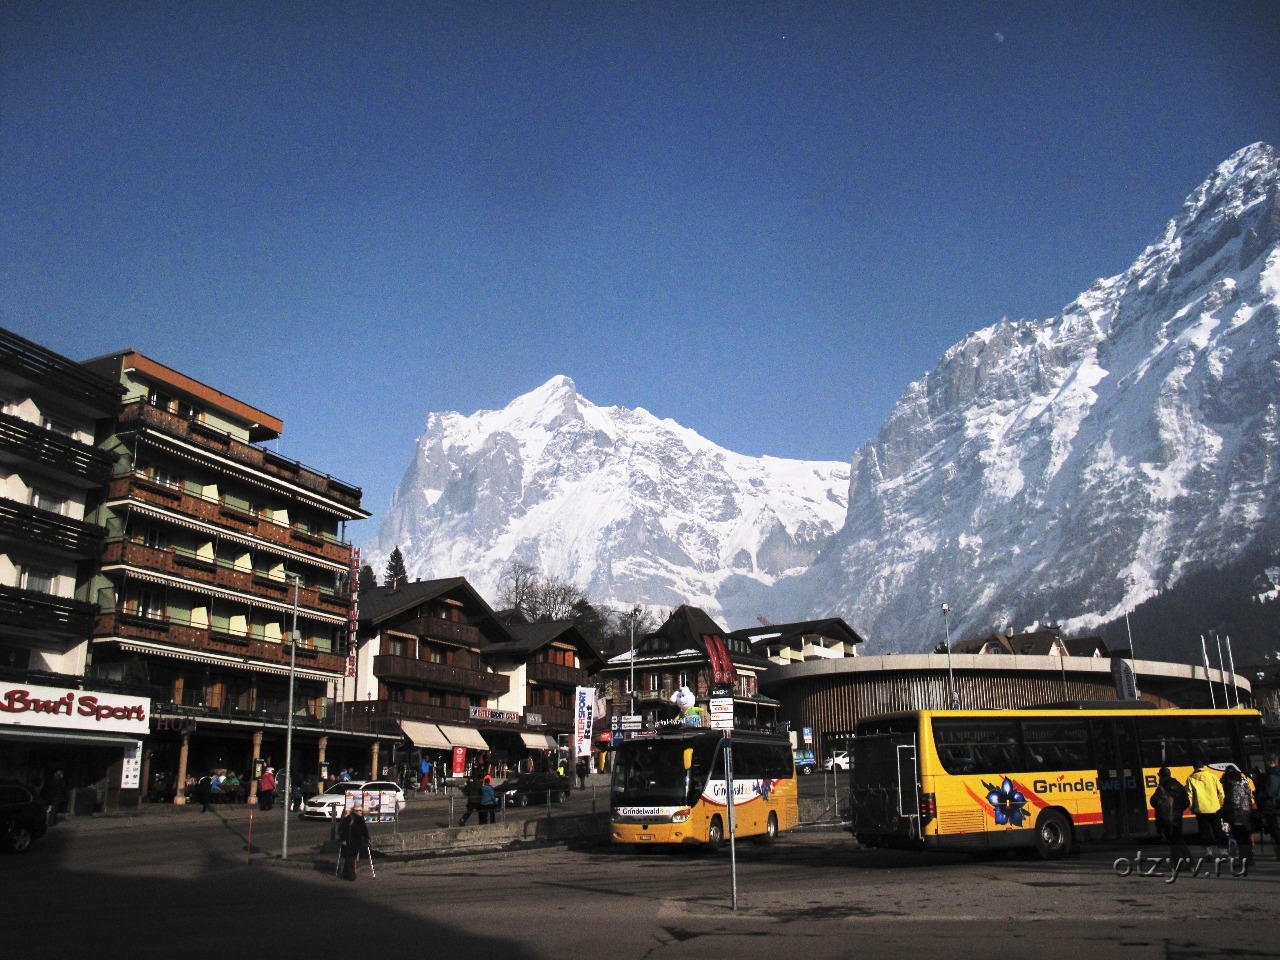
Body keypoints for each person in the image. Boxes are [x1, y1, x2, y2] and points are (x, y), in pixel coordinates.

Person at [1185, 761, 1227, 857]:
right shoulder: (1212, 776)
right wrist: (1221, 804)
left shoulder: (1191, 779)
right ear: (1203, 767)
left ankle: (1209, 853)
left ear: (1194, 767)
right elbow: (1221, 792)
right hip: (1215, 808)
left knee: (1204, 832)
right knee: (1218, 830)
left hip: (1200, 809)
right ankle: (1224, 852)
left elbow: (1189, 795)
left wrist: (1191, 807)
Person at [1221, 766, 1255, 864]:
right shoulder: (1244, 786)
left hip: (1237, 816)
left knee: (1241, 839)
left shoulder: (1235, 788)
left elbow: (1234, 803)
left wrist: (1224, 810)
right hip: (1245, 814)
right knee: (1245, 838)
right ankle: (1249, 858)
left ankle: (1244, 859)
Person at [1150, 766, 1189, 846]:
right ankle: (1185, 857)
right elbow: (1186, 802)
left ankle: (1177, 857)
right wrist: (1178, 810)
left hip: (1165, 817)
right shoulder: (1179, 786)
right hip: (1177, 817)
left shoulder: (1161, 788)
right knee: (1179, 838)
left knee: (1171, 841)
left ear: (1160, 776)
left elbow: (1153, 801)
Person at [336, 803, 371, 881]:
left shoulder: (361, 819)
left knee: (352, 857)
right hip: (349, 841)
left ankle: (345, 873)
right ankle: (351, 874)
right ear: (355, 811)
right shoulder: (349, 818)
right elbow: (341, 829)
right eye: (359, 811)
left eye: (361, 811)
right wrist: (343, 839)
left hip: (357, 842)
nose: (360, 812)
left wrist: (367, 837)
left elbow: (364, 829)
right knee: (350, 857)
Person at [1262, 753, 1280, 861]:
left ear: (1271, 762)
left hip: (1274, 807)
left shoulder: (1272, 775)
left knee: (1275, 831)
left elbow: (1270, 792)